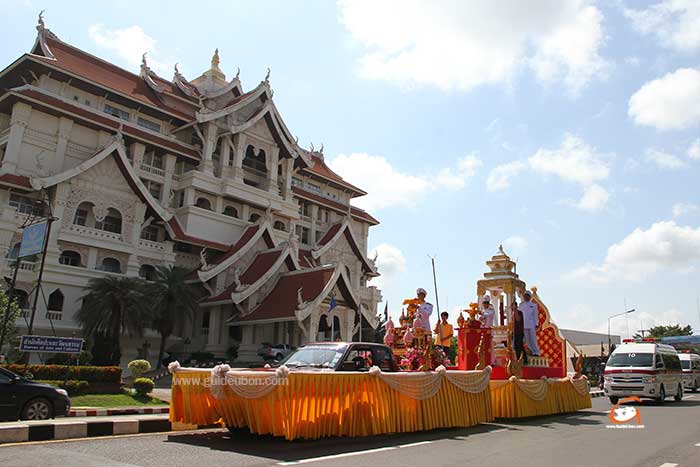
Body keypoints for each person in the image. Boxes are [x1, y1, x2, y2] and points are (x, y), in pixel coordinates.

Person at [518, 290, 540, 356]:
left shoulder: (534, 305)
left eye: (527, 296)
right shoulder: (521, 305)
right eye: (525, 296)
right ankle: (531, 351)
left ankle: (536, 352)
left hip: (531, 325)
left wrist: (536, 324)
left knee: (533, 339)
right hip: (524, 325)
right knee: (527, 340)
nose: (526, 297)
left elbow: (535, 315)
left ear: (530, 297)